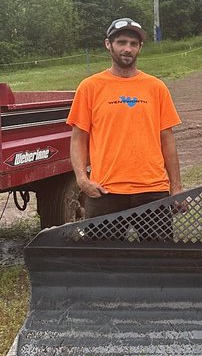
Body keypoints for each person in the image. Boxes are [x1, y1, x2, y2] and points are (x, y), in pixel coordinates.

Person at [68, 17, 183, 218]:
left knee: (156, 251)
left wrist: (176, 187)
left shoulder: (156, 87)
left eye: (133, 44)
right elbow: (78, 138)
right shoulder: (90, 87)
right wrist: (82, 179)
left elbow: (167, 138)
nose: (127, 49)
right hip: (104, 191)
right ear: (108, 44)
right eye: (121, 42)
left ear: (140, 47)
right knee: (104, 251)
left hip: (153, 191)